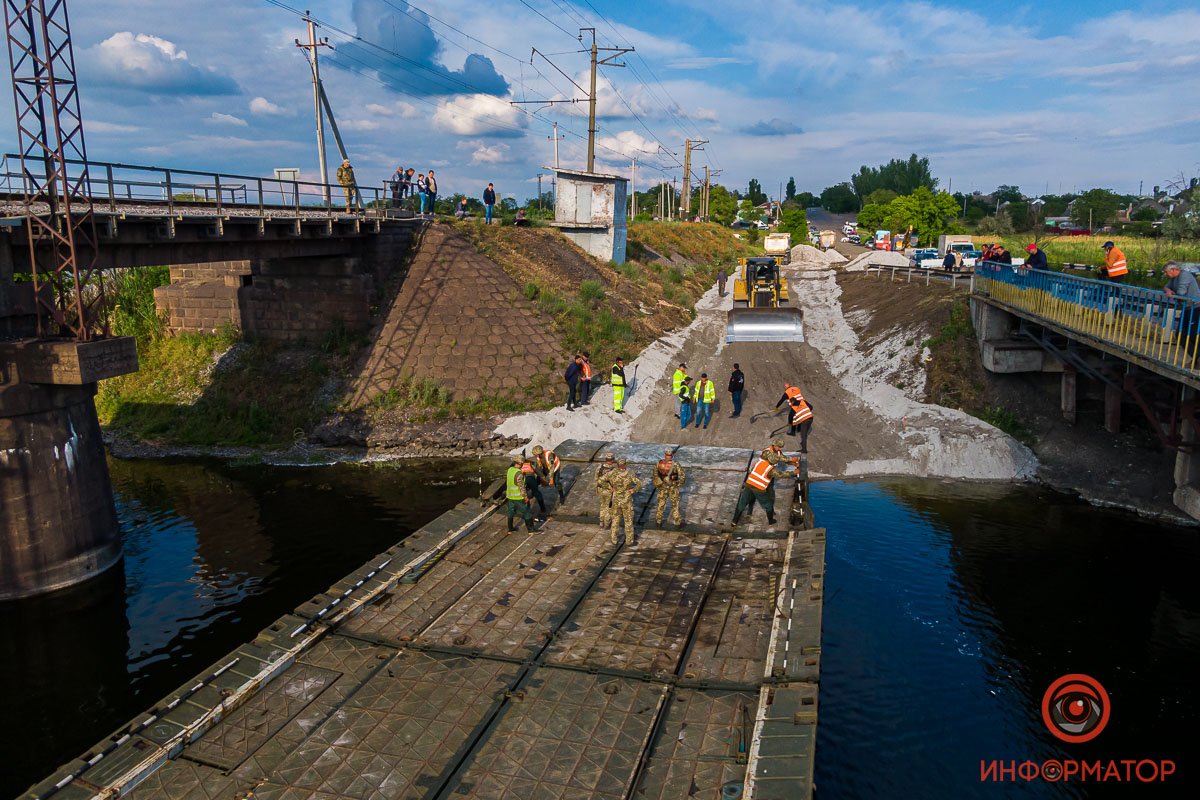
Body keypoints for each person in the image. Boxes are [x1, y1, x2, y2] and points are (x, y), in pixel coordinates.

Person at [732, 440, 796, 525]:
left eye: (780, 447)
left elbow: (781, 458)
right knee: (767, 504)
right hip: (759, 486)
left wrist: (793, 462)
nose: (778, 448)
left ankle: (734, 521)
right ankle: (771, 521)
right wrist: (794, 472)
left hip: (750, 483)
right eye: (778, 446)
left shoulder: (760, 463)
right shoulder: (768, 456)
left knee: (742, 503)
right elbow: (781, 474)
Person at [604, 457, 641, 545]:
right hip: (626, 499)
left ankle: (614, 539)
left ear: (617, 465)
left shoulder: (612, 473)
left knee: (615, 520)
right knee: (628, 520)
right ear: (625, 464)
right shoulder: (630, 473)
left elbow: (601, 481)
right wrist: (633, 490)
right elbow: (639, 483)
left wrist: (610, 488)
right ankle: (629, 540)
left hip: (616, 499)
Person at [653, 449, 685, 526]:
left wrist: (659, 482)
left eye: (669, 455)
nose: (669, 457)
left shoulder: (659, 463)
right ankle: (674, 522)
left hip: (667, 487)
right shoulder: (674, 464)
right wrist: (678, 484)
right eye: (668, 455)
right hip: (668, 487)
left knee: (665, 504)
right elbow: (682, 476)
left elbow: (655, 474)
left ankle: (660, 521)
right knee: (671, 505)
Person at [505, 456, 537, 533]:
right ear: (520, 464)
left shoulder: (510, 470)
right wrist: (525, 497)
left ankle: (510, 529)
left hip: (510, 496)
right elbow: (521, 487)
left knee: (510, 512)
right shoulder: (519, 473)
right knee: (527, 512)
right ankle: (531, 530)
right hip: (519, 497)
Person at [595, 453, 616, 528]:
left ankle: (601, 521)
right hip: (609, 491)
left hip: (600, 489)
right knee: (608, 507)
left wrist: (596, 489)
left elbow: (596, 479)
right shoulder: (614, 470)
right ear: (612, 460)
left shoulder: (599, 467)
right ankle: (607, 523)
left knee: (602, 505)